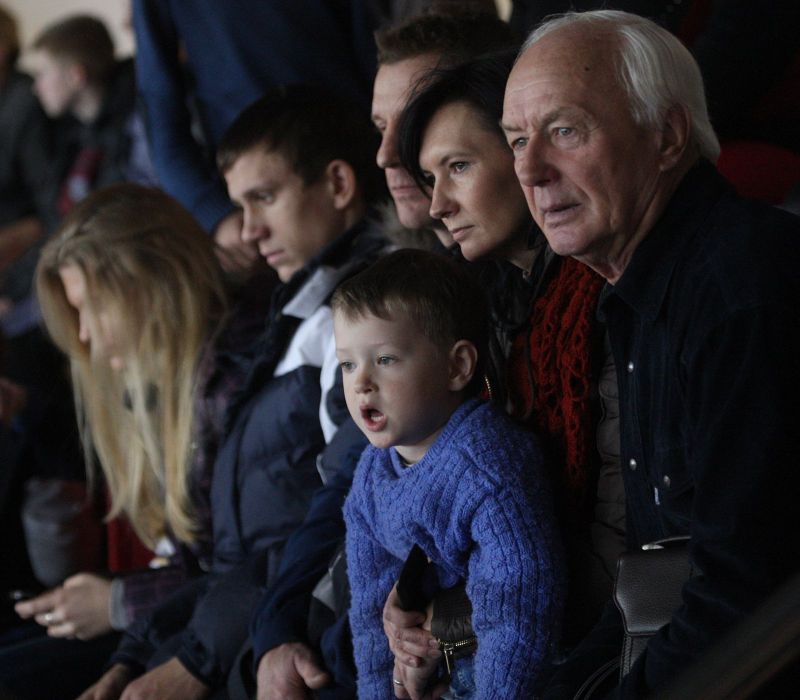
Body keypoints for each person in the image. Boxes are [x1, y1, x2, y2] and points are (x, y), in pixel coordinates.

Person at [500, 10, 800, 698]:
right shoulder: (634, 290)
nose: (530, 170)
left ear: (666, 137)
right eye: (516, 140)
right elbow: (655, 579)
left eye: (564, 130)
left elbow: (744, 603)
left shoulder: (743, 292)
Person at [78, 83, 387, 700]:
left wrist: (201, 659)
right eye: (239, 206)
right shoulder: (296, 315)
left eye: (264, 198)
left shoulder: (359, 321)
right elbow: (238, 562)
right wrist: (139, 654)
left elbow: (342, 523)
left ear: (338, 184)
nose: (248, 231)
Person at [246, 13, 516, 700]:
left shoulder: (503, 290)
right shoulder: (389, 286)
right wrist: (276, 626)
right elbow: (348, 485)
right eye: (379, 127)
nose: (387, 155)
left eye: (413, 123)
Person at [0, 183, 265, 700]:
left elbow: (245, 574)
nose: (84, 337)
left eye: (92, 307)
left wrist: (118, 603)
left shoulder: (230, 381)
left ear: (152, 282)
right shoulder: (169, 382)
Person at [396, 50, 622, 646]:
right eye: (430, 179)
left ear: (524, 153)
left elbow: (617, 539)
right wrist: (409, 598)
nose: (438, 205)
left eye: (459, 167)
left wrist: (449, 621)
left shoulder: (604, 289)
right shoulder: (480, 308)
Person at [334, 249, 564, 699]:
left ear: (457, 366)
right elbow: (368, 617)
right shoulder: (371, 474)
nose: (360, 382)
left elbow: (517, 614)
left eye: (385, 359)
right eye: (347, 364)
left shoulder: (488, 468)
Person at [132, 0, 380, 273]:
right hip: (252, 189)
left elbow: (373, 47)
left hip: (364, 164)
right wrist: (213, 211)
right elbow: (159, 106)